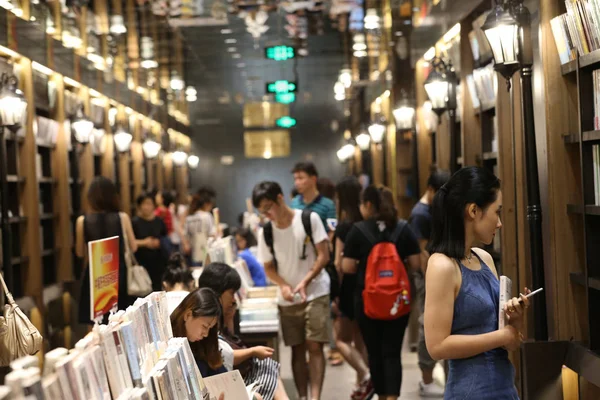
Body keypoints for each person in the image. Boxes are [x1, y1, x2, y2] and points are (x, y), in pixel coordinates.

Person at [425, 167, 531, 399]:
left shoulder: (484, 258)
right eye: (497, 212)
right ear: (473, 210)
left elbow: (508, 343)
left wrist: (514, 321)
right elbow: (436, 346)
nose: (500, 223)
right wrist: (502, 336)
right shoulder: (442, 265)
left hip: (504, 387)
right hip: (470, 391)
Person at [342, 185, 421, 400]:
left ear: (368, 204)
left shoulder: (358, 230)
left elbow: (346, 266)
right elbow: (416, 263)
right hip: (398, 301)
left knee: (374, 353)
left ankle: (382, 396)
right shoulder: (403, 228)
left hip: (367, 301)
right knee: (393, 353)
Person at [253, 181, 330, 400]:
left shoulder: (308, 219)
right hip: (288, 298)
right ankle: (303, 397)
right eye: (262, 212)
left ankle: (315, 397)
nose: (267, 214)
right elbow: (268, 267)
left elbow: (324, 255)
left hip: (316, 290)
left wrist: (305, 281)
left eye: (269, 208)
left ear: (280, 198)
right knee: (296, 348)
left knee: (315, 346)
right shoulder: (266, 231)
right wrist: (284, 285)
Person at [198, 263, 289, 400]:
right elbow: (226, 354)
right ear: (218, 293)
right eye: (231, 293)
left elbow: (230, 340)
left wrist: (229, 317)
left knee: (268, 367)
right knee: (267, 370)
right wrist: (252, 351)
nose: (234, 299)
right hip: (229, 381)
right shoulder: (208, 322)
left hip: (236, 373)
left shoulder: (219, 317)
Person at [290, 162, 340, 367]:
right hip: (298, 264)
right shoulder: (294, 204)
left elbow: (331, 232)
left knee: (323, 309)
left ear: (313, 179)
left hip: (320, 262)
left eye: (301, 178)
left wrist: (321, 247)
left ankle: (327, 347)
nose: (298, 182)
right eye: (295, 178)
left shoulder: (327, 204)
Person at [408, 169, 450, 398]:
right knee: (428, 323)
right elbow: (422, 253)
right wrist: (433, 281)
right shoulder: (420, 214)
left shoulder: (433, 208)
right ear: (431, 189)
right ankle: (426, 378)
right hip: (427, 276)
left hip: (438, 272)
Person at [75, 177, 138, 324]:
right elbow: (133, 247)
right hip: (118, 276)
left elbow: (79, 253)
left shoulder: (82, 222)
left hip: (95, 278)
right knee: (122, 322)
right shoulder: (122, 218)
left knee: (96, 325)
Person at [332, 177, 371, 399]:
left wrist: (335, 294)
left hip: (348, 288)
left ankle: (365, 375)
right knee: (360, 340)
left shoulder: (344, 227)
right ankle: (362, 387)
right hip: (367, 287)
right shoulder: (366, 224)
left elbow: (339, 264)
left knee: (341, 340)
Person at [170, 287, 225, 378]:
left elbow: (222, 374)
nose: (206, 334)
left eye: (210, 328)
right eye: (204, 326)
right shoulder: (166, 342)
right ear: (188, 315)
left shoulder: (204, 343)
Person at [131, 193, 168, 291]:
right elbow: (129, 242)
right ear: (139, 206)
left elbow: (165, 238)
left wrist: (159, 242)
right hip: (141, 263)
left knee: (158, 289)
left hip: (159, 263)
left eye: (149, 204)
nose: (146, 207)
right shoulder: (134, 222)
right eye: (144, 204)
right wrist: (145, 242)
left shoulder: (159, 222)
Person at [183, 187, 217, 266]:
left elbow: (185, 235)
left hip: (193, 253)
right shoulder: (207, 216)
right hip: (206, 252)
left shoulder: (189, 218)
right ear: (206, 204)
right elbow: (212, 234)